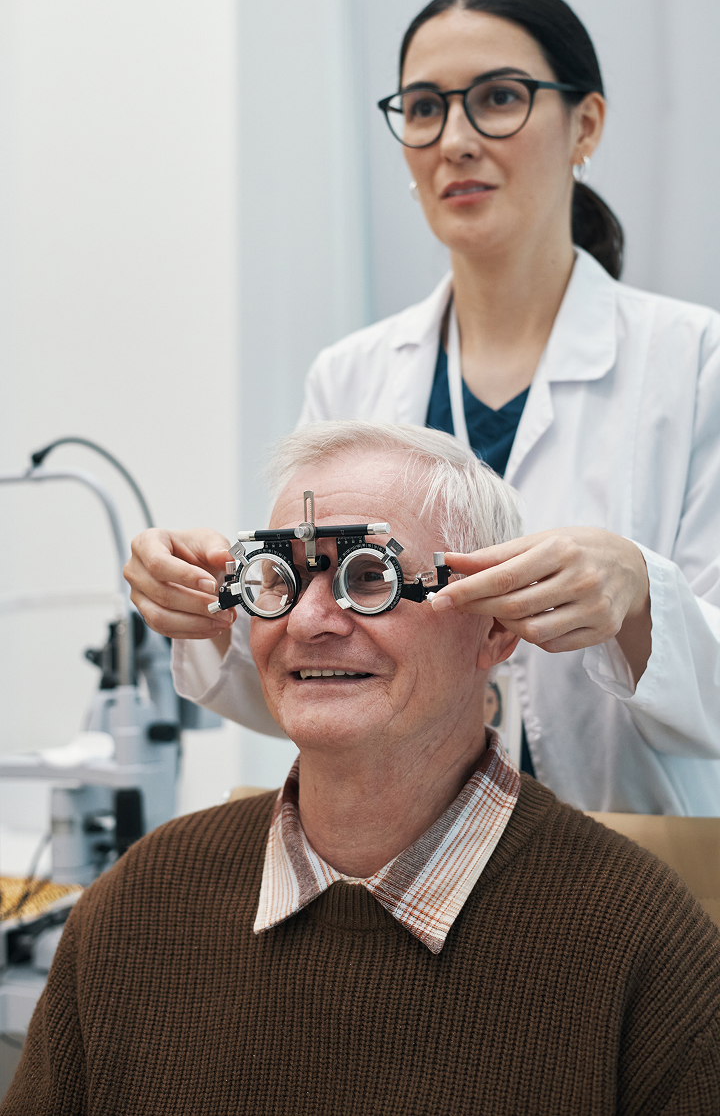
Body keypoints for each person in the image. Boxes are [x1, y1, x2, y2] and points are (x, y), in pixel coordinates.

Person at [125, 0, 720, 815]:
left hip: (630, 861)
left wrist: (635, 596)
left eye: (500, 98)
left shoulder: (696, 364)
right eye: (426, 108)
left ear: (584, 124)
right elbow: (320, 669)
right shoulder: (353, 374)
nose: (457, 140)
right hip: (404, 861)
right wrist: (210, 611)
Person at [8, 423, 720, 1115]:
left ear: (497, 628)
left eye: (369, 575)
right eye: (280, 578)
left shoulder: (641, 945)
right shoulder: (138, 905)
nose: (310, 620)